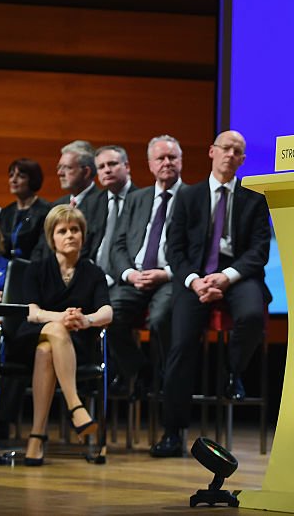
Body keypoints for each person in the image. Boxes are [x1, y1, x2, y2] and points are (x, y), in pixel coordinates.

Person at [150, 130, 271, 458]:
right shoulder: (188, 197)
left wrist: (225, 278)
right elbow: (174, 248)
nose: (230, 155)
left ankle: (233, 372)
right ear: (211, 152)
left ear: (243, 160)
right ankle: (173, 431)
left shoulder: (254, 197)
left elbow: (259, 251)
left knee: (250, 315)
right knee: (181, 344)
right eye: (225, 148)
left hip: (237, 276)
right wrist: (194, 280)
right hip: (195, 279)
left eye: (237, 151)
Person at [9, 205, 113, 466]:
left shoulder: (93, 272)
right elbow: (32, 313)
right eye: (62, 230)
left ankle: (37, 436)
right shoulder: (36, 269)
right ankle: (75, 406)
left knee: (47, 350)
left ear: (83, 235)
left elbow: (107, 311)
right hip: (31, 336)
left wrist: (86, 320)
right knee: (52, 333)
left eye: (75, 230)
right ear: (51, 237)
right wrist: (62, 318)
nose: (70, 235)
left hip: (74, 344)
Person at [107, 135, 183, 397]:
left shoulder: (192, 196)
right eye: (160, 158)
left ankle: (166, 381)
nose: (166, 163)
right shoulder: (137, 198)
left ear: (181, 161)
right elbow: (117, 245)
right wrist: (130, 275)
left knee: (161, 319)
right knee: (109, 315)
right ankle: (141, 370)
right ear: (150, 164)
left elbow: (199, 250)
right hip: (135, 277)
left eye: (172, 157)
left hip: (170, 278)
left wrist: (167, 273)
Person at [31, 141, 102, 261]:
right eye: (59, 167)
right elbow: (42, 247)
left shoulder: (103, 203)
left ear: (86, 172)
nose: (59, 173)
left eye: (67, 168)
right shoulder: (56, 205)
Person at [92, 145, 138, 285]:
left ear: (127, 166)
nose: (107, 170)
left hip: (124, 278)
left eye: (112, 164)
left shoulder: (142, 200)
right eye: (101, 167)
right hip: (93, 276)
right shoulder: (93, 202)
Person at [0, 158, 53, 260]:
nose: (13, 180)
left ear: (32, 180)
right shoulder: (5, 213)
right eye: (11, 175)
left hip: (34, 267)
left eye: (21, 176)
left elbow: (43, 249)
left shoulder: (46, 211)